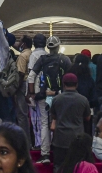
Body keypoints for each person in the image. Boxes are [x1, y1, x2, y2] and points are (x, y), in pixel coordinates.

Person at [30, 36, 73, 164]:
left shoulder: (42, 59)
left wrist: (32, 93)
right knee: (61, 122)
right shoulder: (64, 59)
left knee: (44, 123)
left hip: (44, 95)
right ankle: (61, 151)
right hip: (61, 95)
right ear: (58, 46)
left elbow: (31, 76)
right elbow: (70, 77)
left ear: (48, 47)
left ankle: (45, 154)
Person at [49, 73, 92, 172]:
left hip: (60, 138)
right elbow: (88, 118)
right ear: (77, 84)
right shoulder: (83, 99)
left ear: (63, 84)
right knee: (77, 167)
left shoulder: (56, 99)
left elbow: (54, 116)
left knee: (59, 166)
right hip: (77, 138)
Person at [26, 33, 48, 149]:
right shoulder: (47, 55)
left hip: (35, 90)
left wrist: (30, 93)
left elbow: (31, 75)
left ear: (34, 43)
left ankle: (39, 143)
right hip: (46, 91)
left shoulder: (33, 55)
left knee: (35, 119)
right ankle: (47, 143)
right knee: (46, 120)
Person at [14, 36, 34, 137]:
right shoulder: (32, 54)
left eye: (20, 42)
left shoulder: (22, 56)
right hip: (33, 84)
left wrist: (16, 89)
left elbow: (21, 74)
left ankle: (24, 140)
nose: (18, 43)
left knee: (22, 114)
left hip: (24, 85)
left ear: (24, 44)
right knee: (33, 115)